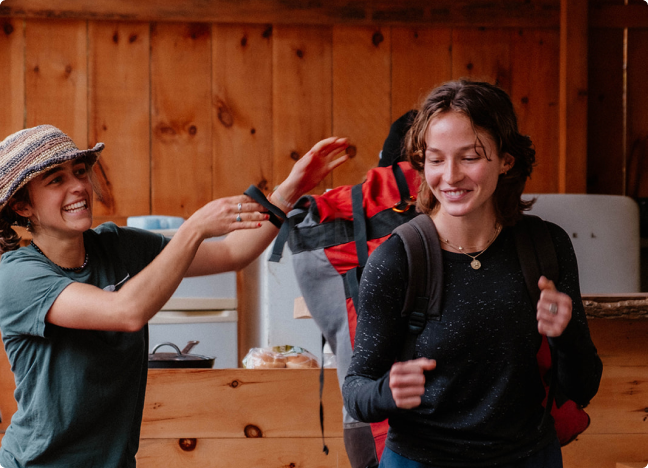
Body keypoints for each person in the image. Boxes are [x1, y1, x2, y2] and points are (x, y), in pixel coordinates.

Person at [0, 124, 348, 467]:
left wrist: (288, 191)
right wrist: (193, 228)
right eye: (57, 180)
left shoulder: (117, 246)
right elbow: (126, 311)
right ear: (22, 207)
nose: (78, 186)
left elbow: (231, 253)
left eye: (80, 172)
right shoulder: (17, 276)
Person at [342, 80, 602, 468]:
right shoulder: (398, 258)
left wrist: (563, 337)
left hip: (529, 457)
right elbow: (356, 392)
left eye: (470, 157)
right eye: (435, 159)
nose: (450, 176)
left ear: (506, 159)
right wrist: (386, 391)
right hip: (419, 460)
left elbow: (583, 385)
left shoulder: (546, 247)